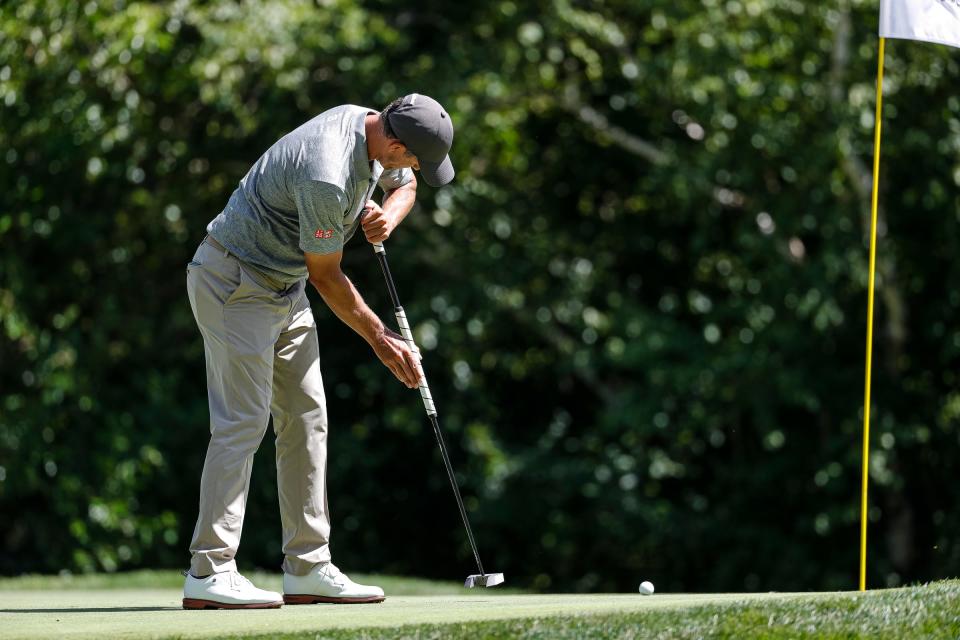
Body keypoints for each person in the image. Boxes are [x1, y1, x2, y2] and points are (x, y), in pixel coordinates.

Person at [181, 94, 454, 609]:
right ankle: (209, 571)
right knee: (243, 421)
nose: (415, 167)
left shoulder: (374, 127)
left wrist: (388, 218)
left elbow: (407, 184)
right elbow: (327, 276)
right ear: (394, 143)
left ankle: (308, 566)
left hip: (283, 286)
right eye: (415, 156)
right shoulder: (328, 172)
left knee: (308, 418)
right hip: (235, 281)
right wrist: (383, 340)